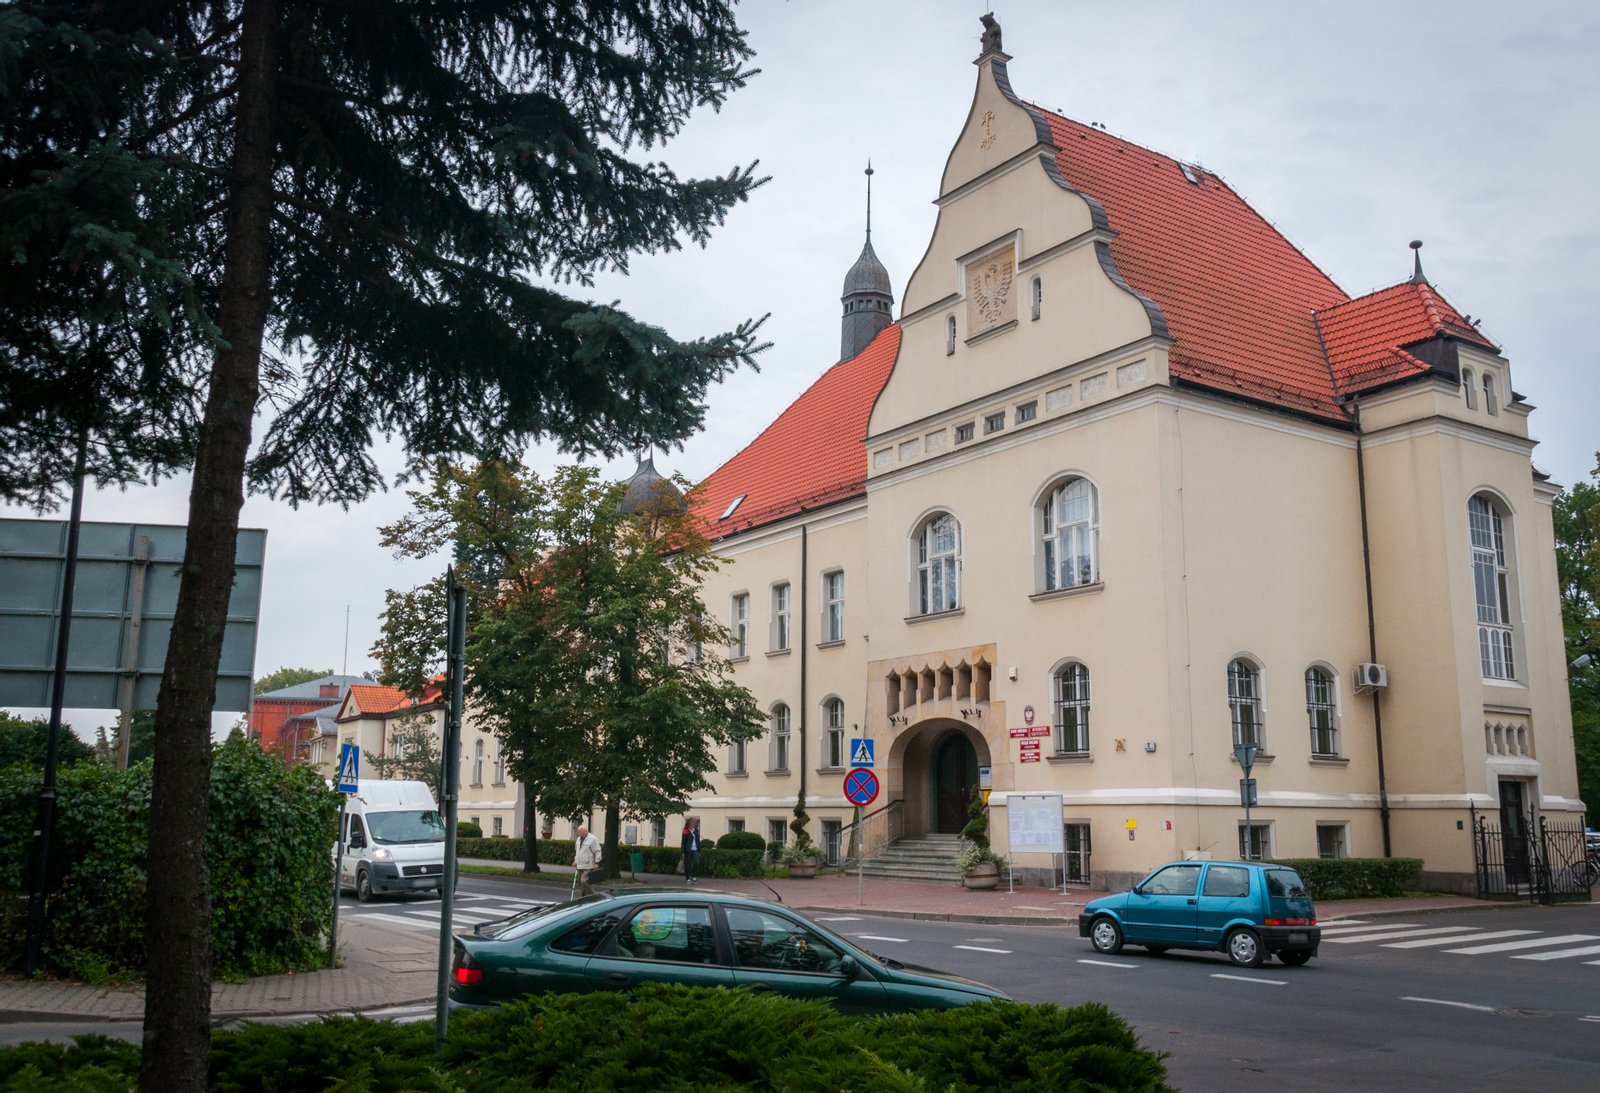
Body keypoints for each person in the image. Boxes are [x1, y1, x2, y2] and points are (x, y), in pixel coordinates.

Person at [573, 823, 602, 896]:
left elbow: (597, 850)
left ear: (585, 831)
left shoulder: (592, 839)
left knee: (584, 882)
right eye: (578, 832)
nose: (579, 834)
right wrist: (575, 861)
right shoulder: (578, 839)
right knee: (581, 884)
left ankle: (595, 896)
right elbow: (577, 851)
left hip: (588, 865)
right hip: (580, 864)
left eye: (580, 832)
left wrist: (597, 862)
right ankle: (584, 898)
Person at [680, 817, 703, 885]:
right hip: (688, 850)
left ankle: (693, 876)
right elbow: (683, 842)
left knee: (696, 862)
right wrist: (682, 852)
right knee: (688, 865)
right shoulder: (686, 831)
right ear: (689, 823)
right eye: (692, 822)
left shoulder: (696, 831)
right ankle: (688, 878)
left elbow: (698, 841)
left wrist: (699, 850)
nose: (694, 823)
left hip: (695, 850)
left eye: (695, 822)